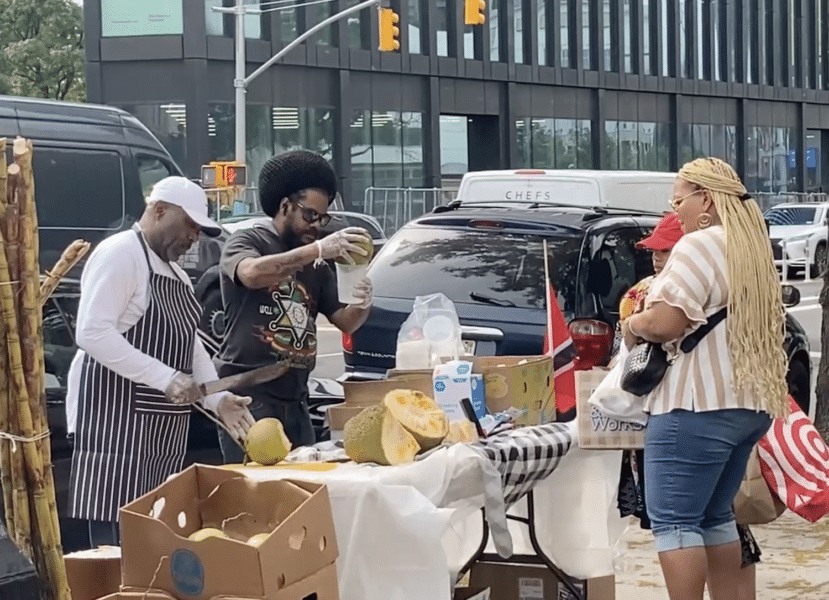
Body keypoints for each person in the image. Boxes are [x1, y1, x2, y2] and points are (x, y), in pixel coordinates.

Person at [620, 157, 788, 600]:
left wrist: (634, 324)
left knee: (675, 522)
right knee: (714, 517)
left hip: (694, 403)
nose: (675, 211)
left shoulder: (699, 245)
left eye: (678, 200)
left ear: (706, 199)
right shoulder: (751, 245)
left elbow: (668, 322)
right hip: (746, 403)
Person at [67, 177, 255, 548]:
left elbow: (191, 347)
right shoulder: (122, 253)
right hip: (113, 426)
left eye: (200, 231)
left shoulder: (180, 278)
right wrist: (166, 378)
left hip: (160, 432)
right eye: (190, 225)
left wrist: (216, 399)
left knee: (151, 542)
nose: (194, 238)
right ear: (159, 210)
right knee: (115, 544)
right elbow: (92, 332)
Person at [216, 150, 373, 462]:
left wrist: (362, 300)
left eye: (322, 219)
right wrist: (317, 249)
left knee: (301, 497)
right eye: (310, 215)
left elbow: (345, 321)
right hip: (250, 399)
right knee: (258, 497)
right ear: (285, 206)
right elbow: (250, 273)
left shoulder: (316, 264)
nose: (315, 226)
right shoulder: (248, 241)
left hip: (297, 400)